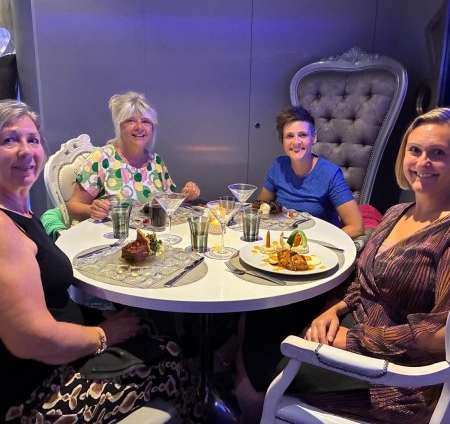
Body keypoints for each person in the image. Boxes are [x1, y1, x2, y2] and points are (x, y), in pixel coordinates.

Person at [236, 107, 450, 423]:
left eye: (438, 153)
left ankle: (255, 401)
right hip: (353, 327)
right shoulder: (396, 213)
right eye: (415, 150)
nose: (422, 162)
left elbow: (440, 335)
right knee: (263, 324)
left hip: (389, 377)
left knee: (267, 366)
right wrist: (332, 310)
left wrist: (352, 340)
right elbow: (363, 283)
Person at [0, 100, 202, 423]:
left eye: (33, 139)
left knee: (151, 327)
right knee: (172, 357)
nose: (26, 150)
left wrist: (99, 323)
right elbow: (33, 339)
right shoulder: (4, 231)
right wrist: (104, 333)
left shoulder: (19, 212)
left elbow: (166, 202)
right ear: (118, 126)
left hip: (58, 350)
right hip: (35, 393)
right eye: (9, 140)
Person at [67, 91, 201, 223]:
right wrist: (92, 210)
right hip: (113, 233)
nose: (139, 127)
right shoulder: (101, 159)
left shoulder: (156, 161)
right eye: (131, 120)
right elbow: (73, 206)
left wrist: (185, 195)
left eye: (146, 121)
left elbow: (165, 204)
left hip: (150, 233)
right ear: (119, 126)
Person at [257, 105, 364, 238]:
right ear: (282, 140)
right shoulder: (278, 166)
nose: (296, 142)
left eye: (303, 135)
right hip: (281, 239)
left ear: (314, 137)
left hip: (318, 243)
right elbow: (260, 207)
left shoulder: (330, 174)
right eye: (289, 136)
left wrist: (322, 243)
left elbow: (356, 227)